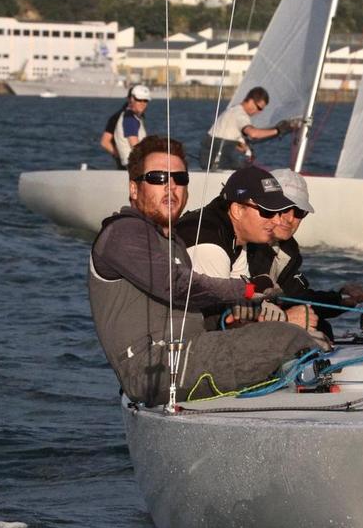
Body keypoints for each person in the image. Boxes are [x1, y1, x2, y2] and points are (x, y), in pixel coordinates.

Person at [88, 135, 317, 407]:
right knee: (288, 338)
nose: (170, 187)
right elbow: (176, 285)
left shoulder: (170, 241)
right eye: (158, 178)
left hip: (184, 353)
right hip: (153, 369)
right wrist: (246, 291)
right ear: (134, 189)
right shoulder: (123, 232)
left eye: (179, 179)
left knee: (289, 338)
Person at [174, 166, 325, 346]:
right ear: (237, 210)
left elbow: (239, 304)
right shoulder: (209, 245)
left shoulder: (235, 238)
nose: (278, 220)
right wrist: (285, 321)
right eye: (268, 211)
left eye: (279, 211)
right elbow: (215, 324)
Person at [247, 169, 363, 340]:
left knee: (321, 327)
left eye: (298, 211)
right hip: (241, 334)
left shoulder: (288, 250)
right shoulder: (245, 246)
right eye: (283, 208)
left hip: (269, 327)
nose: (289, 218)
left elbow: (298, 298)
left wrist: (341, 298)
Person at [199, 86, 301, 171]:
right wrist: (278, 130)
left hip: (211, 158)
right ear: (251, 101)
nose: (259, 112)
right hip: (215, 163)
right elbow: (253, 133)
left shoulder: (234, 111)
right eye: (259, 108)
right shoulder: (240, 115)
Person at [100, 84, 150, 170]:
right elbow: (105, 142)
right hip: (130, 163)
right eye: (138, 99)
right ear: (130, 99)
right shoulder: (126, 118)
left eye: (145, 100)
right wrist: (120, 155)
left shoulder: (133, 116)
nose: (142, 103)